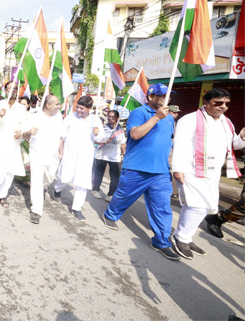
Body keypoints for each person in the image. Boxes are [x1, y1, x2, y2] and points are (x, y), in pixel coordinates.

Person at [102, 83, 180, 261]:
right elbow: (135, 135)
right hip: (137, 168)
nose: (165, 99)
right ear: (150, 97)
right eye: (161, 95)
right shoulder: (140, 113)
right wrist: (156, 118)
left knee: (162, 207)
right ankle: (110, 214)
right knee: (123, 196)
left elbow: (166, 141)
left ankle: (161, 241)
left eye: (167, 96)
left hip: (160, 171)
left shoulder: (169, 118)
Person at [172, 88, 245, 259]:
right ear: (205, 103)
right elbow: (180, 144)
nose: (223, 107)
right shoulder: (189, 120)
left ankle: (186, 236)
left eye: (226, 103)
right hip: (191, 170)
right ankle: (180, 238)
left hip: (212, 173)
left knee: (205, 207)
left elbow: (233, 145)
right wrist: (177, 168)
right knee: (196, 205)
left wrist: (241, 137)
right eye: (218, 103)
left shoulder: (226, 122)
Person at [54, 96, 104, 221]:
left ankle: (77, 208)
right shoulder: (70, 118)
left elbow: (100, 139)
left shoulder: (95, 120)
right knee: (64, 177)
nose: (79, 110)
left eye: (82, 108)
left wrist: (97, 134)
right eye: (78, 107)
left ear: (89, 109)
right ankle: (57, 189)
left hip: (85, 157)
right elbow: (61, 136)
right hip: (69, 154)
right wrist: (60, 151)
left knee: (82, 182)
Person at [22, 95, 64, 224]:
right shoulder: (35, 117)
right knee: (36, 182)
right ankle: (36, 210)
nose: (59, 106)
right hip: (37, 154)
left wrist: (61, 152)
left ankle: (40, 190)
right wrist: (30, 132)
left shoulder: (59, 118)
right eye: (56, 104)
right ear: (48, 105)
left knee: (48, 179)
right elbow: (23, 135)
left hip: (52, 157)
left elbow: (61, 137)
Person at [0, 85, 26, 209]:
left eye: (15, 88)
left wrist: (22, 132)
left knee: (10, 172)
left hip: (14, 145)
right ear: (5, 90)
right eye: (10, 88)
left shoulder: (21, 108)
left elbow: (24, 125)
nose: (13, 90)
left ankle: (3, 195)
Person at [92, 110, 126, 202]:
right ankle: (95, 189)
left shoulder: (121, 130)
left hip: (115, 156)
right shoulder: (103, 128)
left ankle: (111, 194)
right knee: (99, 174)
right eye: (108, 116)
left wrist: (124, 153)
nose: (110, 118)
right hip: (102, 155)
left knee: (115, 176)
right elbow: (95, 140)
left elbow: (123, 143)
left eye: (112, 117)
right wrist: (104, 141)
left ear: (117, 118)